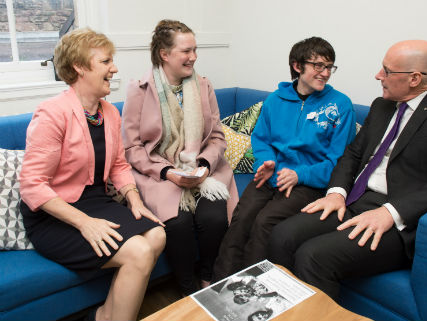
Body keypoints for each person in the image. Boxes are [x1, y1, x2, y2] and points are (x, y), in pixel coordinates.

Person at [269, 40, 427, 299]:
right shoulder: (382, 106)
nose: (378, 76)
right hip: (354, 200)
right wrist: (336, 192)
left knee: (313, 256)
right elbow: (353, 154)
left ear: (414, 78)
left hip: (396, 218)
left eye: (387, 71)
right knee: (282, 235)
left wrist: (391, 212)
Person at [19, 28, 166, 321]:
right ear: (79, 67)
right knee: (138, 251)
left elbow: (119, 166)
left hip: (95, 201)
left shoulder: (109, 112)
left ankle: (103, 317)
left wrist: (134, 200)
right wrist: (85, 224)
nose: (114, 68)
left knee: (158, 235)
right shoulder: (52, 114)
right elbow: (32, 185)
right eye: (105, 61)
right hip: (55, 215)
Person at [212, 36, 356, 281]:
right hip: (271, 174)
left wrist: (300, 174)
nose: (325, 73)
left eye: (329, 67)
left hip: (309, 182)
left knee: (265, 223)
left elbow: (341, 161)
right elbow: (261, 139)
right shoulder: (275, 100)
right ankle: (218, 286)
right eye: (318, 66)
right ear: (297, 66)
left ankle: (248, 290)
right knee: (241, 219)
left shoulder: (340, 106)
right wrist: (265, 163)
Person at [121, 19, 238, 295]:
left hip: (202, 171)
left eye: (195, 50)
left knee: (215, 219)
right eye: (186, 51)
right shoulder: (139, 91)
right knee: (178, 223)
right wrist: (168, 173)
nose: (193, 57)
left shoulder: (204, 86)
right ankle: (187, 290)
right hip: (159, 174)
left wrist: (205, 166)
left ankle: (208, 278)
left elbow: (218, 138)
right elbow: (132, 148)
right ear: (165, 54)